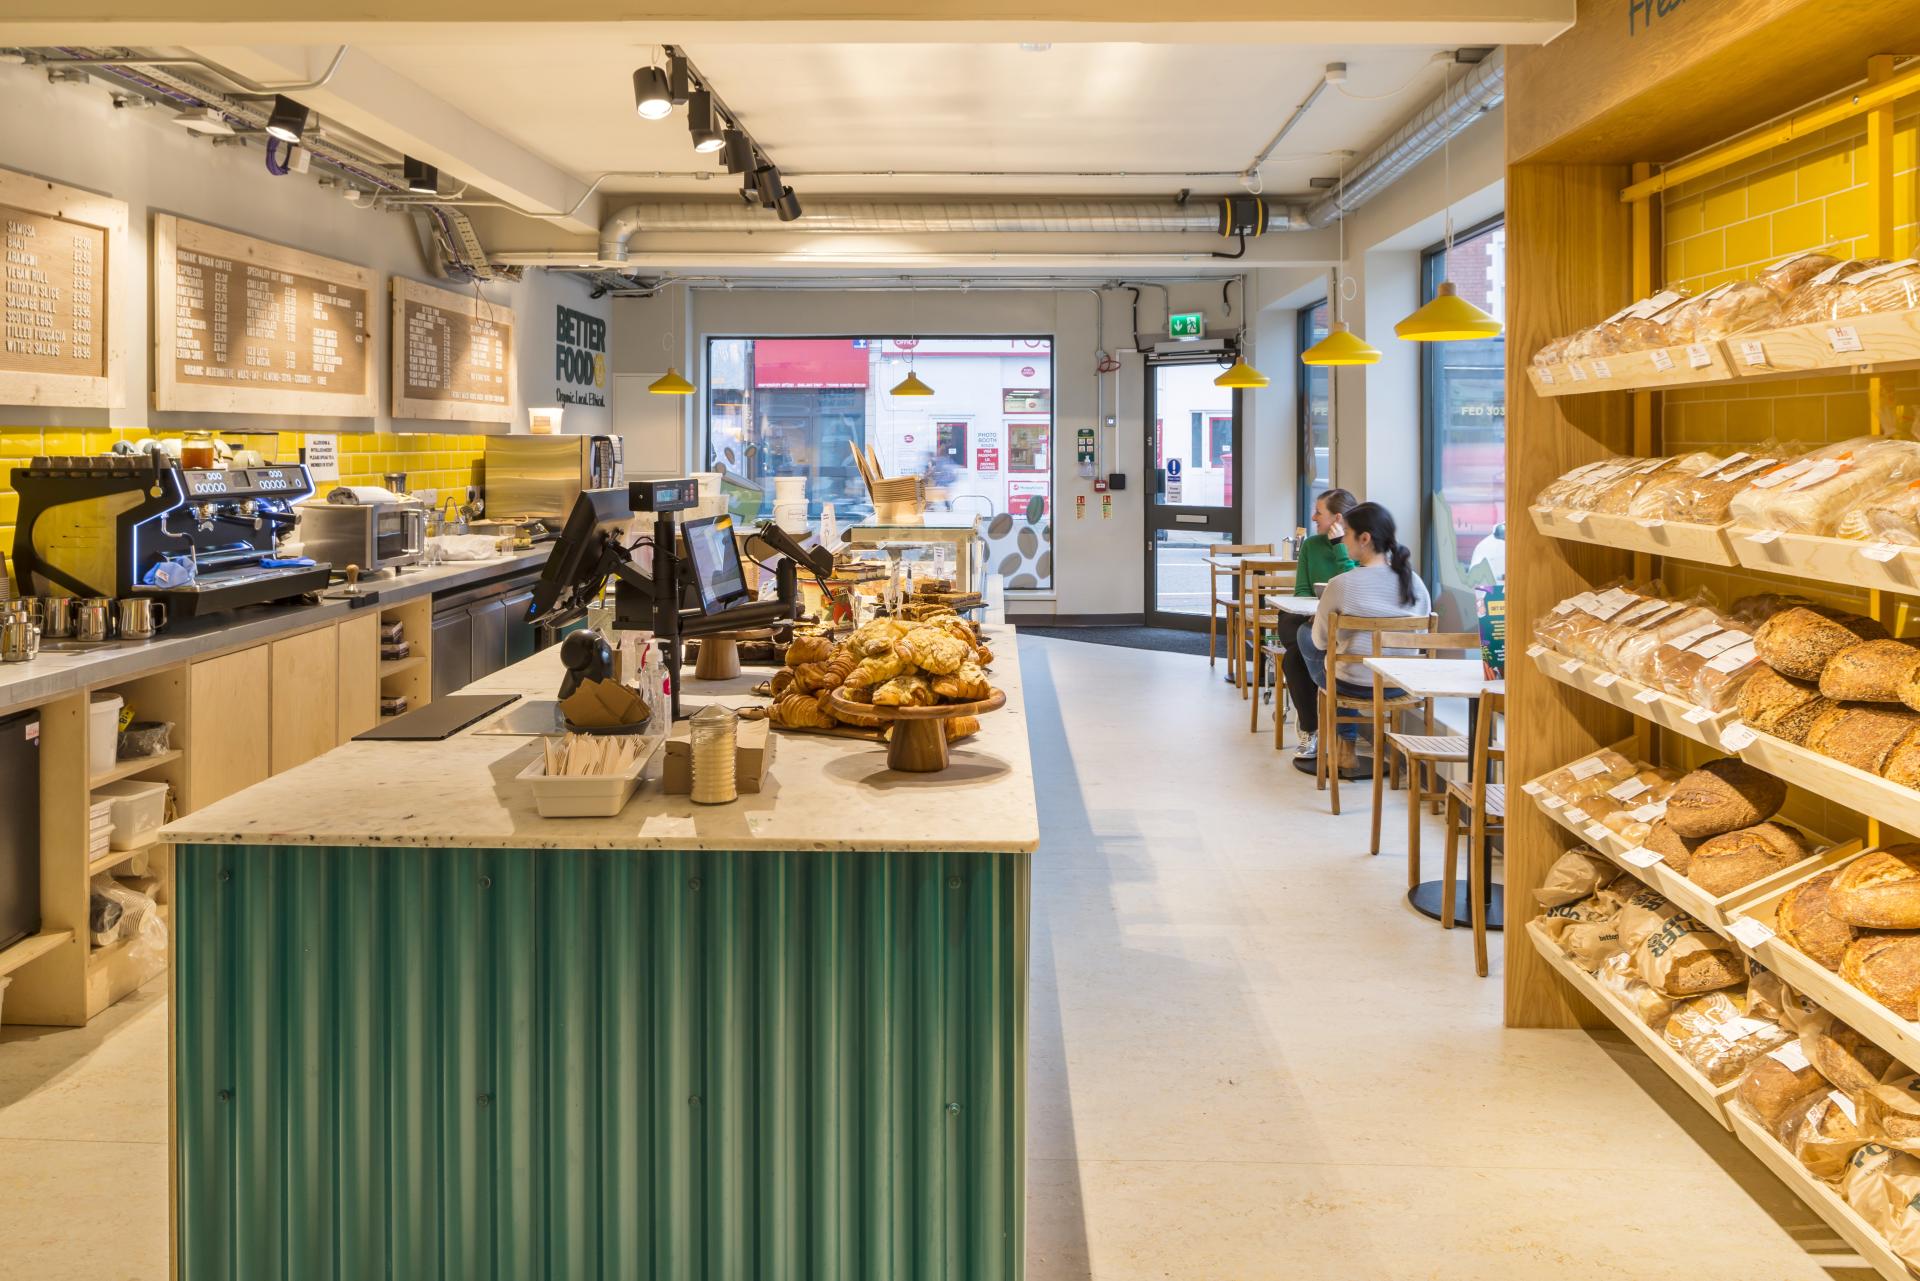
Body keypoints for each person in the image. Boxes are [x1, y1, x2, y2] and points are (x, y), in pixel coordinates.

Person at [1281, 501, 1431, 778]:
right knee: (1331, 659)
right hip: (1401, 684)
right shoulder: (1416, 583)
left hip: (1355, 686)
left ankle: (1345, 742)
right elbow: (1420, 639)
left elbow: (1320, 641)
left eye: (1347, 533)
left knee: (1306, 638)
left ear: (1364, 538)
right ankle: (1346, 742)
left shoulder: (1342, 584)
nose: (1342, 539)